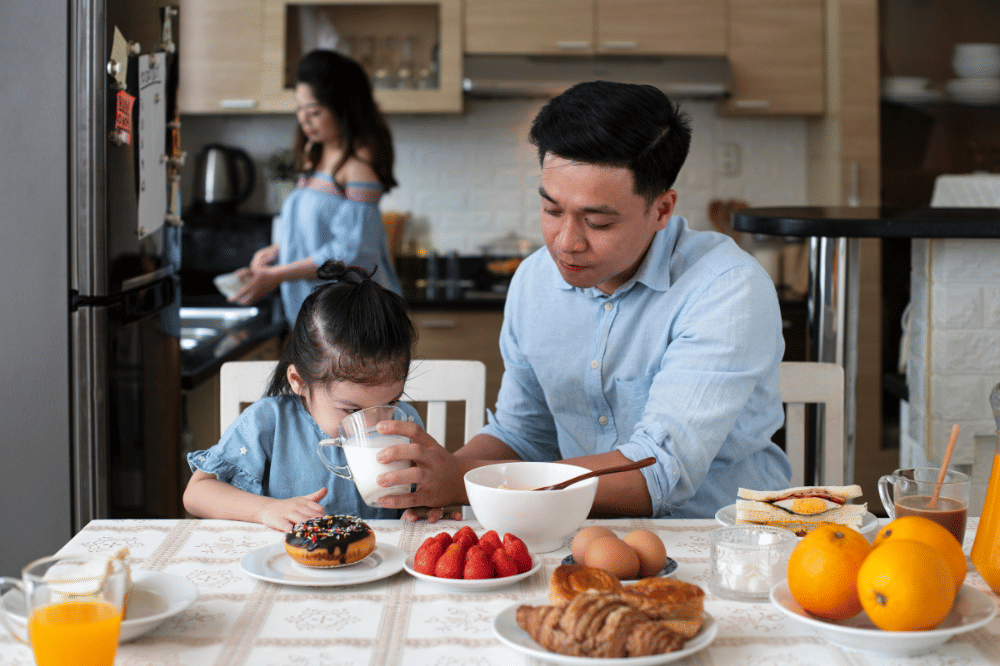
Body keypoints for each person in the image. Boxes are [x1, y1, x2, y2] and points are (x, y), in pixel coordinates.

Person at [373, 80, 792, 520]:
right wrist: (437, 478)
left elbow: (658, 472)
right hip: (575, 533)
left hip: (723, 540)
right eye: (552, 211)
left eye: (597, 222)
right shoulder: (534, 281)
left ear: (662, 210)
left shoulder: (727, 287)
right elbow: (523, 434)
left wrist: (461, 481)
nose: (566, 242)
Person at [184, 261, 425, 531]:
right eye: (351, 410)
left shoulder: (404, 423)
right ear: (298, 381)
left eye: (390, 402)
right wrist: (265, 509)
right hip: (288, 556)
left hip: (379, 553)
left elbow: (424, 491)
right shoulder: (269, 422)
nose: (374, 427)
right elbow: (197, 493)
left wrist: (424, 506)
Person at [231, 49, 401, 328]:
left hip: (353, 320)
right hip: (318, 315)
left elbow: (353, 251)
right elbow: (313, 230)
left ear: (343, 108)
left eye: (314, 112)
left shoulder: (358, 165)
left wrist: (279, 275)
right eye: (299, 109)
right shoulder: (315, 154)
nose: (303, 120)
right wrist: (277, 251)